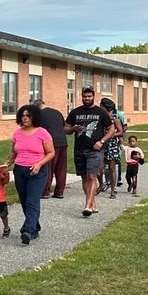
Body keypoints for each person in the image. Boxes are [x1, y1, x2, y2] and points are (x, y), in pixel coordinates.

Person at [4, 103, 55, 244]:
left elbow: (51, 153)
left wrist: (39, 164)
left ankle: (27, 230)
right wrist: (7, 164)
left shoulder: (42, 133)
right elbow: (14, 153)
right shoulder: (17, 133)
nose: (25, 118)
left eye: (28, 116)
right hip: (20, 170)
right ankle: (35, 227)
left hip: (37, 171)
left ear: (35, 117)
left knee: (32, 201)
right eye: (23, 115)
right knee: (24, 201)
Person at [66, 87, 115, 218]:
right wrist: (73, 128)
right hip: (79, 149)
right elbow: (65, 128)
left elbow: (112, 128)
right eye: (84, 96)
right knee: (84, 178)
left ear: (93, 96)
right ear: (81, 96)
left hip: (95, 150)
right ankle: (92, 203)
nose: (87, 99)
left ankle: (87, 206)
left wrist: (102, 141)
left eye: (89, 96)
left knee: (92, 177)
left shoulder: (101, 112)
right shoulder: (75, 112)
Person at [34, 99, 68, 198]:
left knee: (48, 167)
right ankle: (59, 191)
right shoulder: (57, 112)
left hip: (49, 143)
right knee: (61, 168)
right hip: (62, 142)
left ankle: (45, 191)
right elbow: (63, 126)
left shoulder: (39, 115)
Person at [98, 98, 125, 199]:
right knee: (99, 167)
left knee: (112, 168)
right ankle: (101, 184)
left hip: (112, 145)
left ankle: (113, 190)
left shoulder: (115, 119)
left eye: (102, 107)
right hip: (102, 144)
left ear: (108, 109)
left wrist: (111, 135)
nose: (100, 109)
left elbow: (121, 131)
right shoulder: (99, 118)